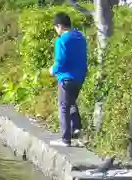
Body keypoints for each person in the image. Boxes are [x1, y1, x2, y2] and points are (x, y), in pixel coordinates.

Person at [49, 12, 88, 147]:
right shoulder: (80, 37)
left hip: (66, 78)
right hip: (79, 77)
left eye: (56, 27)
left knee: (64, 106)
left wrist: (52, 70)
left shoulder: (61, 41)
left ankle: (65, 139)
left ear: (59, 26)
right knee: (71, 103)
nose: (56, 31)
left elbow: (61, 61)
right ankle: (76, 129)